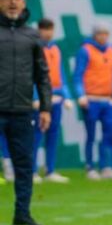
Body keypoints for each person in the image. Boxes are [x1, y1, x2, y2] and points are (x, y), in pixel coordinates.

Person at [0, 0, 52, 225]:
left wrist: (45, 108)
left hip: (22, 111)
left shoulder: (32, 35)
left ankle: (22, 213)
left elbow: (43, 75)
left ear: (23, 3)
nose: (12, 2)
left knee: (24, 164)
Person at [73, 23, 112, 181]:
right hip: (91, 99)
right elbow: (78, 75)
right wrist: (81, 94)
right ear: (95, 35)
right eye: (100, 34)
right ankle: (90, 167)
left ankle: (106, 166)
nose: (103, 37)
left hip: (107, 100)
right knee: (91, 135)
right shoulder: (85, 50)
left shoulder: (111, 51)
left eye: (106, 34)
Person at [33, 18, 74, 184]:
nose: (48, 32)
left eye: (50, 29)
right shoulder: (34, 48)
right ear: (39, 30)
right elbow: (31, 74)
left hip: (56, 97)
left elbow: (61, 74)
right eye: (45, 29)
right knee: (36, 135)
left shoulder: (56, 49)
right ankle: (33, 171)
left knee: (53, 135)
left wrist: (67, 96)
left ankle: (50, 170)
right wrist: (35, 97)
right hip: (41, 98)